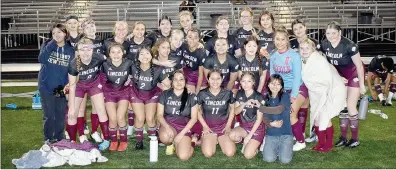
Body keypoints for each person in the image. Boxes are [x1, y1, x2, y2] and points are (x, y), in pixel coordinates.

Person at [320, 21, 366, 148]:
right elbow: (328, 63)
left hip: (353, 75)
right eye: (328, 33)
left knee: (351, 106)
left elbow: (359, 66)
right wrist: (338, 77)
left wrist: (362, 84)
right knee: (342, 107)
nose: (331, 35)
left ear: (339, 32)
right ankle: (344, 137)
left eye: (334, 33)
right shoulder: (324, 44)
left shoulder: (349, 45)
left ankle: (355, 138)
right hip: (339, 76)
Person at [300, 38, 347, 152]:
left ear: (313, 48)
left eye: (307, 48)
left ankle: (328, 144)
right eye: (302, 48)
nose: (304, 50)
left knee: (324, 116)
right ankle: (321, 142)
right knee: (316, 116)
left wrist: (336, 81)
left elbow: (326, 74)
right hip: (316, 92)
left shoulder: (318, 59)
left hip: (328, 91)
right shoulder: (304, 60)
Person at [66, 38, 110, 150]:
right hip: (79, 86)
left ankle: (106, 139)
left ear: (93, 50)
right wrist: (71, 107)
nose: (85, 53)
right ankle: (72, 141)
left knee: (101, 110)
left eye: (88, 49)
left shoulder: (99, 57)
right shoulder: (73, 64)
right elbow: (72, 85)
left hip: (94, 83)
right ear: (78, 51)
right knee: (73, 113)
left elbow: (110, 62)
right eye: (82, 50)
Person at [269, 27, 308, 151]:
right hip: (283, 90)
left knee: (291, 113)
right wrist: (274, 92)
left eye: (282, 39)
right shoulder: (273, 56)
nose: (279, 42)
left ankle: (301, 142)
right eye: (277, 39)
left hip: (298, 88)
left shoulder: (294, 56)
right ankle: (295, 135)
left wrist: (293, 95)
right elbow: (273, 77)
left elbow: (297, 77)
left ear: (287, 41)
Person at [39, 23, 75, 143]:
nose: (56, 35)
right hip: (46, 86)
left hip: (60, 88)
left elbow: (71, 70)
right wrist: (52, 44)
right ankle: (48, 138)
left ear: (65, 33)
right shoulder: (47, 45)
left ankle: (60, 138)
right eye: (53, 33)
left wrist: (67, 85)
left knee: (60, 114)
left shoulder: (70, 50)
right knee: (49, 114)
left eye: (59, 32)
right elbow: (42, 59)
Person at [130, 47, 171, 150]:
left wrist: (164, 90)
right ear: (138, 57)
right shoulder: (132, 66)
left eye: (147, 53)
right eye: (142, 54)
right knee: (140, 118)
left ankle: (153, 138)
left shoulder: (158, 69)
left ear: (152, 56)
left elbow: (168, 84)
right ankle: (139, 141)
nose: (144, 56)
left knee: (149, 118)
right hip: (136, 93)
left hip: (152, 94)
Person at [157, 70, 198, 160]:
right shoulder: (165, 94)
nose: (178, 82)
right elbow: (159, 115)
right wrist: (167, 127)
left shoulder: (191, 96)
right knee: (165, 137)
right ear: (172, 82)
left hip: (184, 128)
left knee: (183, 157)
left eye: (181, 79)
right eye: (175, 79)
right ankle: (171, 143)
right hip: (170, 125)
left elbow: (194, 118)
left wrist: (181, 134)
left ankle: (191, 143)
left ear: (185, 81)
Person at [101, 43, 133, 152]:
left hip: (123, 92)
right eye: (113, 52)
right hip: (109, 92)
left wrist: (131, 79)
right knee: (113, 118)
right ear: (109, 54)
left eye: (118, 52)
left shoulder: (128, 63)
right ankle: (114, 140)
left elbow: (136, 72)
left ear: (123, 52)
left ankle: (123, 141)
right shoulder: (104, 64)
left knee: (120, 117)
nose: (116, 54)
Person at [197, 69, 236, 157]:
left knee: (230, 153)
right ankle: (207, 138)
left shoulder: (228, 93)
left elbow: (232, 110)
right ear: (208, 80)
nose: (215, 81)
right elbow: (197, 111)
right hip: (209, 128)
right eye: (212, 79)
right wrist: (205, 126)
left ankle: (218, 139)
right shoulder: (202, 93)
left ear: (222, 79)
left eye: (218, 78)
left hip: (223, 127)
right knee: (208, 153)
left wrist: (228, 126)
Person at [229, 72, 265, 159]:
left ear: (253, 82)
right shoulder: (239, 94)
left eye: (249, 81)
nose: (246, 84)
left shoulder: (259, 97)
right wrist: (244, 104)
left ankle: (258, 145)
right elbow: (236, 112)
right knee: (232, 135)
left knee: (248, 155)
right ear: (240, 82)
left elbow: (259, 120)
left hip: (256, 129)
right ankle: (245, 142)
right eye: (243, 81)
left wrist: (249, 136)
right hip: (244, 127)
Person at [261, 74, 293, 164]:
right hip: (271, 134)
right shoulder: (265, 98)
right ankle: (275, 146)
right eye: (272, 83)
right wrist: (271, 124)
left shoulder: (285, 96)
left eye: (278, 84)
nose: (275, 86)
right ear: (268, 84)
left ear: (281, 86)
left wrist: (261, 108)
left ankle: (284, 146)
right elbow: (264, 117)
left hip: (285, 134)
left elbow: (278, 110)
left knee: (285, 160)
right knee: (268, 159)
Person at [182, 28, 207, 94]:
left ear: (198, 39)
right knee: (190, 95)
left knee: (200, 94)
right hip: (189, 73)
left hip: (200, 73)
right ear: (186, 37)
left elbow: (201, 74)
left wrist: (197, 91)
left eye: (195, 37)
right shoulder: (183, 46)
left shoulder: (201, 52)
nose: (192, 40)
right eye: (190, 37)